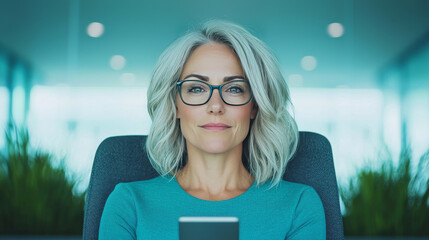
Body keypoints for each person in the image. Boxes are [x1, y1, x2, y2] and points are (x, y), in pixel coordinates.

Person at [99, 20, 326, 239]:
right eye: (196, 88)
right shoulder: (129, 204)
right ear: (175, 104)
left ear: (254, 105)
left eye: (234, 89)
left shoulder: (299, 205)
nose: (216, 105)